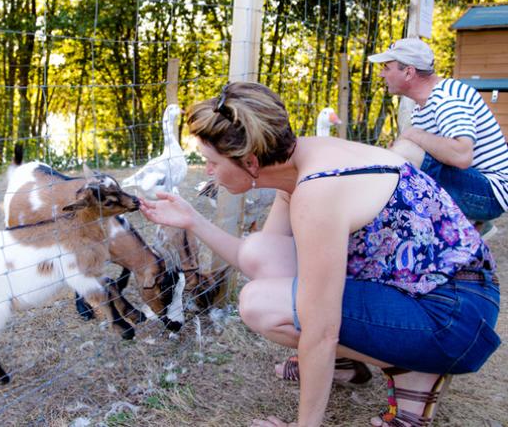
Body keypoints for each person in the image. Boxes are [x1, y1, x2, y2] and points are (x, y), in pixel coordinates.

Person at [140, 81, 501, 427]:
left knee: (259, 304)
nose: (208, 171)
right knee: (262, 254)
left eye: (212, 161)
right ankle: (351, 364)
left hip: (453, 318)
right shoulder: (300, 160)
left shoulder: (317, 192)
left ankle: (415, 370)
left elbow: (320, 328)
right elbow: (260, 261)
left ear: (250, 162)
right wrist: (193, 220)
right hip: (443, 293)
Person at [368, 38, 508, 235]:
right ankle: (465, 225)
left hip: (489, 194)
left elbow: (462, 155)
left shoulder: (446, 98)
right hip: (476, 188)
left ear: (408, 72)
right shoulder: (423, 105)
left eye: (386, 67)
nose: (382, 74)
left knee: (406, 151)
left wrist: (413, 135)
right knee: (404, 155)